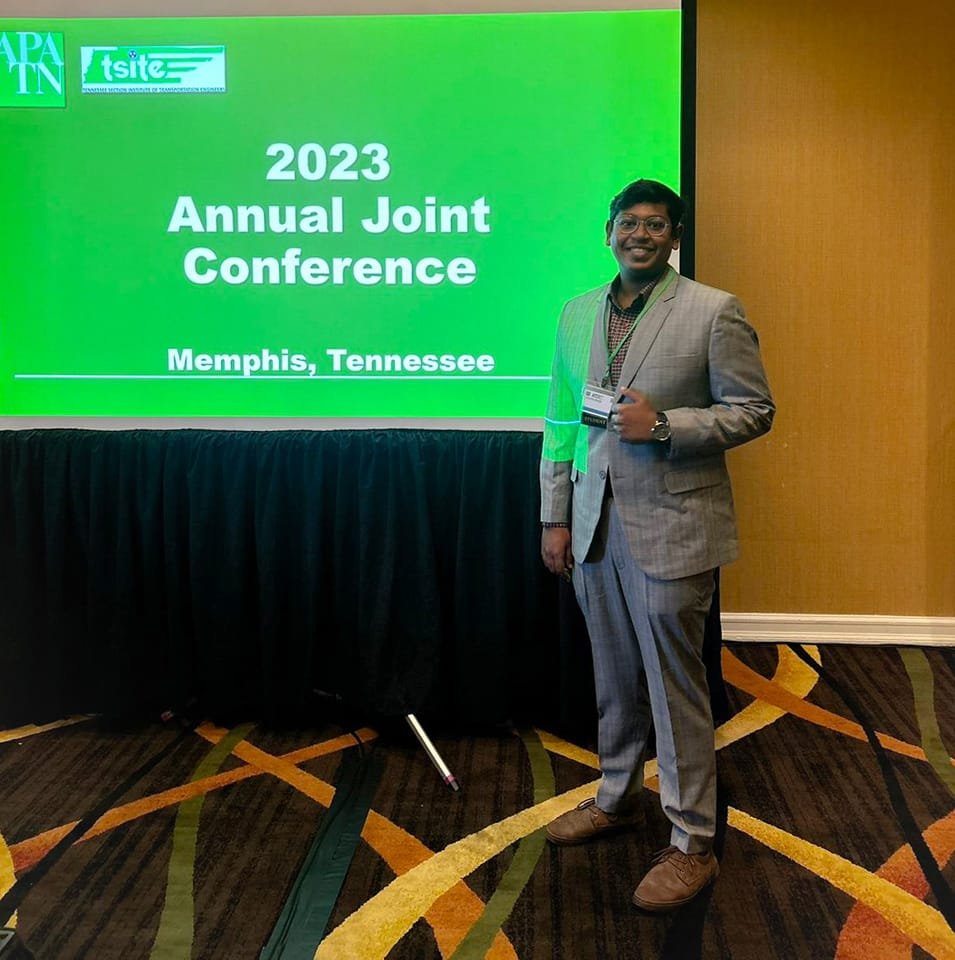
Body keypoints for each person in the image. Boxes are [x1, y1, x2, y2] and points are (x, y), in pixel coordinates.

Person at [539, 178, 774, 912]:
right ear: (608, 230)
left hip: (673, 526)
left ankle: (692, 840)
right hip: (594, 527)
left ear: (674, 237)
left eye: (656, 224)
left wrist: (667, 425)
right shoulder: (577, 312)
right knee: (612, 677)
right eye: (629, 222)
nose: (640, 234)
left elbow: (753, 410)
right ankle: (616, 797)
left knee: (676, 689)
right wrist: (555, 517)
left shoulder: (713, 310)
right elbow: (560, 420)